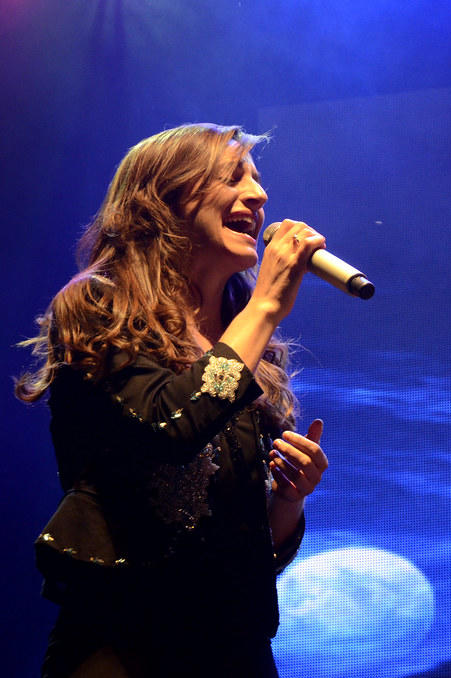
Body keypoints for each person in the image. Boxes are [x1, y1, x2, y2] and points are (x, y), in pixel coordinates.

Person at [16, 123, 330, 677]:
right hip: (123, 644)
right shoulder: (99, 306)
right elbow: (170, 427)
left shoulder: (247, 343)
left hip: (234, 649)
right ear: (163, 200)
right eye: (233, 177)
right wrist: (264, 306)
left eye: (258, 181)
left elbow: (252, 554)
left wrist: (288, 500)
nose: (258, 195)